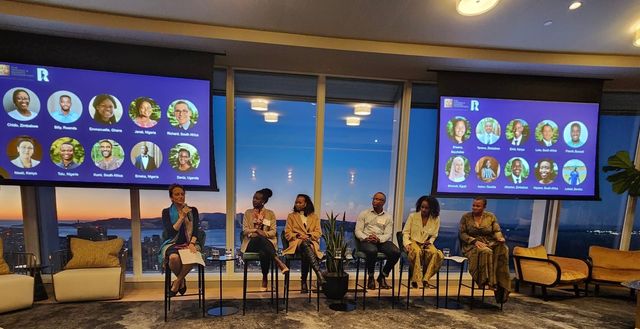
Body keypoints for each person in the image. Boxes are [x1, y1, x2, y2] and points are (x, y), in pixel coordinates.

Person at [459, 197, 510, 304]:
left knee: (503, 249)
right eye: (473, 205)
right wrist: (474, 241)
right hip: (471, 245)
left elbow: (497, 231)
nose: (474, 208)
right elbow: (462, 234)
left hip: (488, 242)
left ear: (484, 207)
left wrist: (499, 238)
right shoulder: (466, 217)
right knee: (486, 251)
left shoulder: (490, 216)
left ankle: (499, 283)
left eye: (478, 206)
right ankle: (487, 281)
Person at [241, 188, 289, 291]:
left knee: (263, 251)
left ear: (263, 201)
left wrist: (262, 233)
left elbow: (273, 232)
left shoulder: (270, 214)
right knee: (259, 238)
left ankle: (264, 277)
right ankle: (278, 261)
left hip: (266, 245)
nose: (254, 200)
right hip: (251, 244)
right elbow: (245, 231)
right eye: (254, 198)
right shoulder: (247, 213)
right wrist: (256, 230)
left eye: (257, 199)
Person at [158, 184, 201, 297]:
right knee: (173, 258)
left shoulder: (193, 211)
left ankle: (177, 282)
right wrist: (182, 217)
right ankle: (181, 281)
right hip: (173, 243)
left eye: (182, 194)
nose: (181, 196)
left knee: (192, 254)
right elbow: (171, 232)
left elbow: (196, 231)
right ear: (171, 197)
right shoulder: (166, 212)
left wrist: (191, 243)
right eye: (177, 194)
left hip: (191, 243)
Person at [354, 192, 400, 290]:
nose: (375, 201)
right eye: (374, 199)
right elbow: (357, 231)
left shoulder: (388, 217)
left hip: (381, 241)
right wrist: (366, 238)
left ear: (383, 202)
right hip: (367, 240)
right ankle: (371, 277)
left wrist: (379, 239)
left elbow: (388, 234)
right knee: (372, 251)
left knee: (396, 252)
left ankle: (382, 276)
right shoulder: (364, 213)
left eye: (378, 199)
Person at [283, 194, 324, 293]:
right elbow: (287, 233)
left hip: (310, 243)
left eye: (299, 202)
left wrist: (308, 235)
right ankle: (318, 273)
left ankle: (304, 282)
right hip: (297, 243)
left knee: (306, 248)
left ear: (306, 204)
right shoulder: (291, 216)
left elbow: (318, 233)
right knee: (305, 244)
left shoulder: (314, 217)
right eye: (296, 202)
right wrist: (298, 236)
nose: (297, 204)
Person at [401, 196, 443, 289]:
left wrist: (430, 241)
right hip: (413, 241)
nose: (423, 209)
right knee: (416, 252)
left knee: (435, 253)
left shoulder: (436, 219)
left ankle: (426, 279)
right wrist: (407, 244)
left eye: (426, 208)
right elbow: (406, 232)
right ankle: (415, 279)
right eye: (422, 207)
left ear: (432, 208)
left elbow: (434, 235)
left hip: (426, 243)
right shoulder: (413, 216)